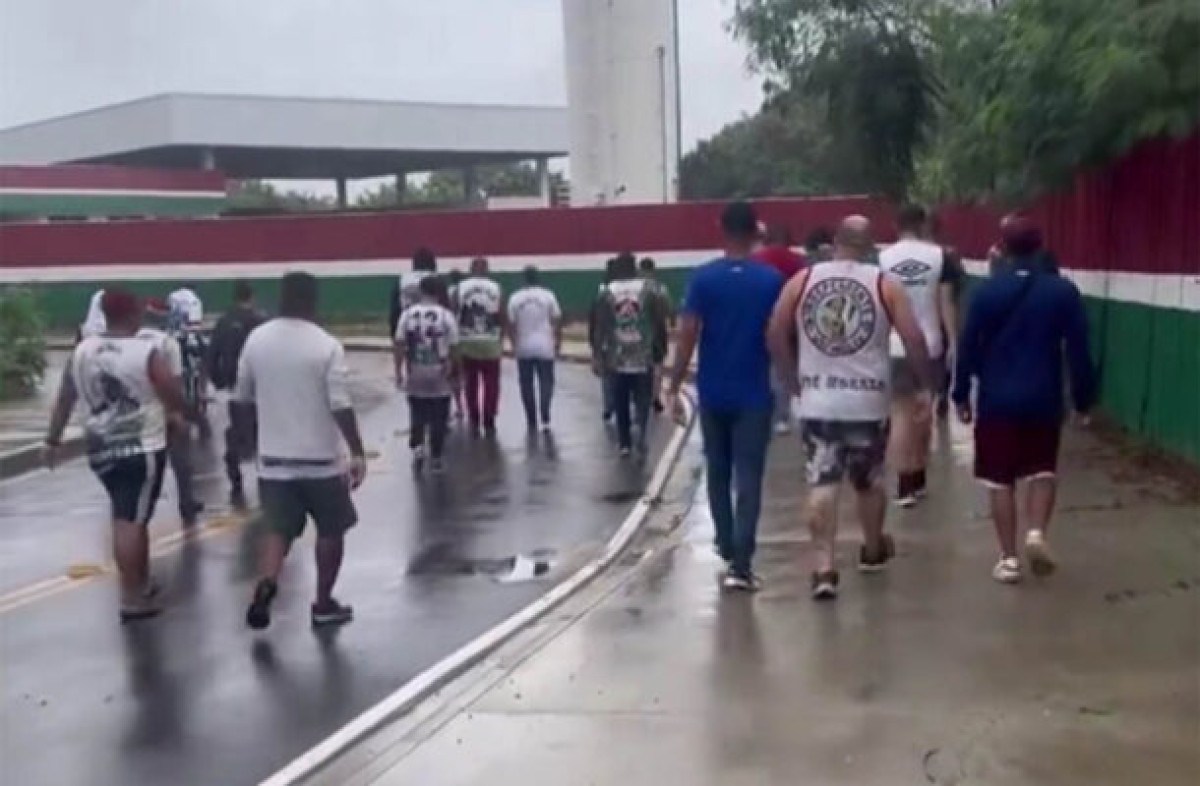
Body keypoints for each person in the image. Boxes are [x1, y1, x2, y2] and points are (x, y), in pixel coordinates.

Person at [768, 216, 935, 601]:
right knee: (869, 481)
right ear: (869, 245)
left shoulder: (803, 282)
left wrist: (790, 377)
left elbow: (775, 329)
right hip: (867, 403)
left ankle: (824, 568)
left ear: (836, 242)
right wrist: (925, 386)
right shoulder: (883, 284)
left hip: (818, 403)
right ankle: (873, 549)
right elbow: (912, 336)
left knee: (822, 481)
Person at [953, 218, 1096, 585]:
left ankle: (1009, 558)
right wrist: (1083, 399)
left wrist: (959, 394)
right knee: (1042, 471)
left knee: (1000, 481)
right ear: (1040, 245)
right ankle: (1036, 534)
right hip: (1043, 397)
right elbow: (1079, 351)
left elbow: (968, 347)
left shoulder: (986, 292)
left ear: (1002, 247)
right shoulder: (1062, 292)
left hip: (997, 399)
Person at [45, 289, 192, 622]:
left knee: (125, 514)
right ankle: (131, 596)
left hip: (100, 448)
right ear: (134, 314)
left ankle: (139, 583)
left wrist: (52, 440)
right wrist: (185, 414)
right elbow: (169, 390)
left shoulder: (82, 350)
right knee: (131, 522)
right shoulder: (145, 351)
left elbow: (66, 396)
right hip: (140, 448)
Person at [235, 272, 367, 630]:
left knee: (277, 529)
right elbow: (340, 403)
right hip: (320, 461)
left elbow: (242, 396)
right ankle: (323, 602)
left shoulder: (256, 340)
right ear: (312, 301)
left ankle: (267, 582)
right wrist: (356, 450)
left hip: (273, 460)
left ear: (282, 297)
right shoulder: (325, 345)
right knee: (330, 531)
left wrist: (246, 442)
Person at [664, 202, 782, 591]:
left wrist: (673, 382)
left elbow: (687, 335)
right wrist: (792, 380)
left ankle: (726, 542)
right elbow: (778, 337)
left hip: (713, 392)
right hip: (754, 394)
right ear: (754, 233)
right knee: (749, 476)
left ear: (722, 230)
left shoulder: (703, 279)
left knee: (717, 470)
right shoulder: (770, 281)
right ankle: (742, 563)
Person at [878, 205, 962, 506]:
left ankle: (905, 485)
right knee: (925, 409)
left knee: (900, 413)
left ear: (894, 224)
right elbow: (946, 303)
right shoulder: (940, 258)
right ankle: (918, 474)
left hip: (893, 344)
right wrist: (953, 341)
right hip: (930, 343)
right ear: (923, 224)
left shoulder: (881, 260)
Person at [138, 300, 204, 527]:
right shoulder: (168, 343)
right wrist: (180, 412)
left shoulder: (130, 342)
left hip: (137, 413)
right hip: (164, 412)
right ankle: (187, 503)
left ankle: (137, 508)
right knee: (181, 461)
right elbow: (174, 382)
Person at [595, 252, 667, 458]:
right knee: (642, 398)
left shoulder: (607, 292)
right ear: (634, 267)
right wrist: (659, 347)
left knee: (621, 400)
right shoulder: (649, 289)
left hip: (617, 357)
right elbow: (658, 320)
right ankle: (641, 431)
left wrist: (599, 354)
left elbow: (602, 326)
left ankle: (624, 442)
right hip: (643, 353)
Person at [207, 280, 266, 505]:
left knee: (237, 431)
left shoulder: (224, 321)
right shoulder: (259, 321)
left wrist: (219, 381)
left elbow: (212, 354)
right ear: (251, 297)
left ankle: (235, 479)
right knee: (261, 433)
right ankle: (265, 480)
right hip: (258, 387)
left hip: (234, 386)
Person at [395, 275, 460, 473]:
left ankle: (417, 446)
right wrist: (457, 373)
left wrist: (398, 370)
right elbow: (455, 347)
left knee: (417, 409)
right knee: (439, 414)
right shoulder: (445, 315)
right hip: (440, 369)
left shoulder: (408, 314)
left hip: (416, 368)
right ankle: (437, 456)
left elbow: (399, 343)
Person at [754, 225, 808, 436]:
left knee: (763, 369)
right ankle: (783, 416)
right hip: (790, 324)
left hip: (761, 322)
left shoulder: (757, 259)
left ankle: (764, 413)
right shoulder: (798, 261)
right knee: (785, 369)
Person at [507, 265, 563, 432]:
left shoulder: (515, 298)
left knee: (526, 384)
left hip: (524, 346)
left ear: (523, 279)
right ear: (538, 278)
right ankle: (545, 414)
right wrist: (558, 341)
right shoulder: (548, 296)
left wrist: (513, 343)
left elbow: (511, 324)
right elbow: (557, 320)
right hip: (545, 345)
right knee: (546, 382)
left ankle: (531, 418)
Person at [456, 257, 505, 435]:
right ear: (487, 270)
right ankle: (489, 417)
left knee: (470, 381)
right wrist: (501, 338)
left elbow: (456, 314)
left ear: (471, 270)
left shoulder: (461, 288)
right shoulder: (496, 288)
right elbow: (501, 315)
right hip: (490, 340)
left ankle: (474, 416)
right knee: (491, 382)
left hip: (467, 340)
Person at [639, 257, 674, 414]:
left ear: (640, 270)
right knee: (658, 365)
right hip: (659, 330)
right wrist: (671, 323)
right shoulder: (661, 288)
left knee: (640, 365)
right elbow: (669, 309)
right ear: (653, 270)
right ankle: (655, 397)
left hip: (641, 331)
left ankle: (642, 396)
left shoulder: (637, 288)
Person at [589, 258, 619, 423]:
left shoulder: (603, 291)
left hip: (607, 340)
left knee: (607, 375)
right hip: (624, 340)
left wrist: (594, 347)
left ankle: (609, 406)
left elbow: (595, 320)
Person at [390, 247, 437, 340]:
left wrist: (394, 334)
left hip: (406, 325)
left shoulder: (402, 280)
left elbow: (394, 310)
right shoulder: (435, 279)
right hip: (431, 327)